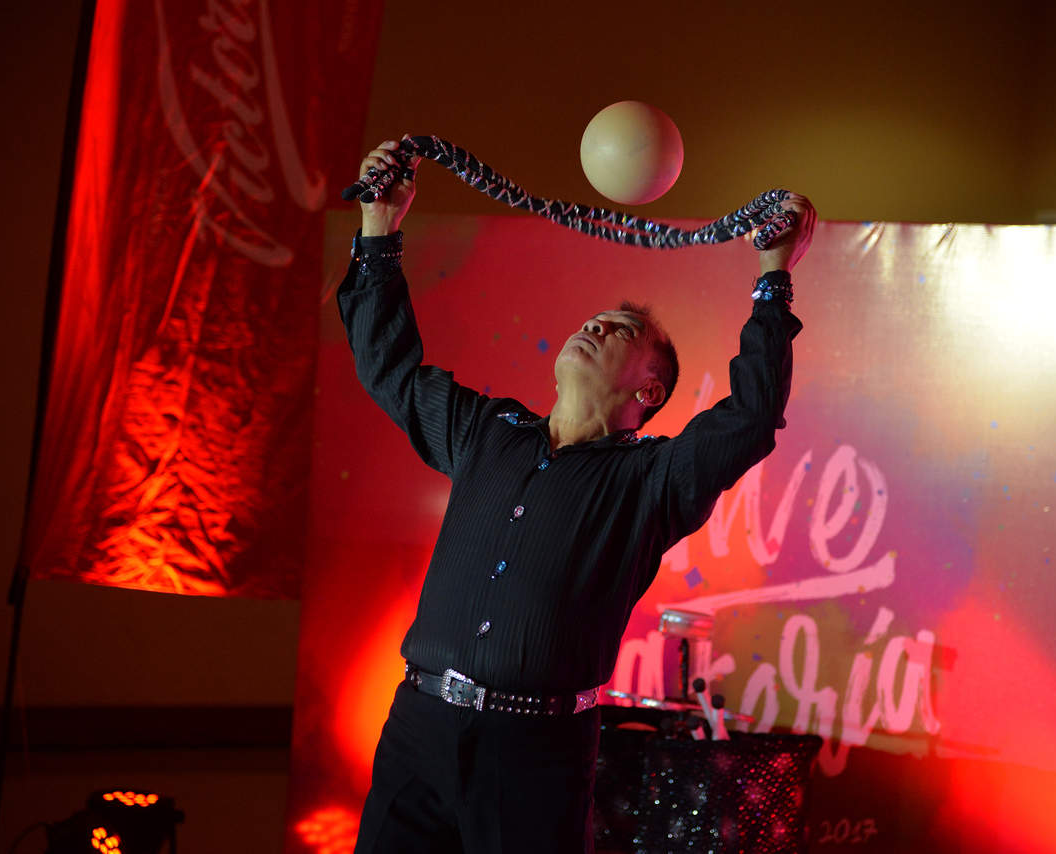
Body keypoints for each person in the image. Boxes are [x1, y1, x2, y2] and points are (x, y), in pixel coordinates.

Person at [340, 138, 815, 854]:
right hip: (419, 726)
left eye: (618, 331)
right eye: (591, 321)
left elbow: (749, 419)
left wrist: (774, 276)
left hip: (535, 753)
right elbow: (388, 367)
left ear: (648, 391)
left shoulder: (652, 481)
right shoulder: (484, 431)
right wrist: (379, 226)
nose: (593, 326)